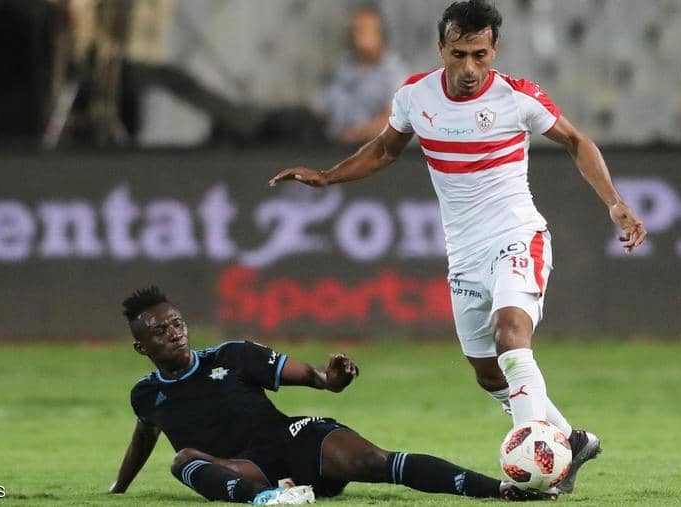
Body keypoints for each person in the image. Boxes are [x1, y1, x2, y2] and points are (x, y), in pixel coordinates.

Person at [269, 0, 648, 496]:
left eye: (480, 55)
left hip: (517, 236)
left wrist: (614, 202)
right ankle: (569, 441)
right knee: (489, 373)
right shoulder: (415, 96)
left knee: (511, 335)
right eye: (459, 54)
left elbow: (577, 141)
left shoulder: (518, 97)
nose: (469, 68)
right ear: (441, 48)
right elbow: (384, 149)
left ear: (494, 50)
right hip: (465, 254)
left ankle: (536, 470)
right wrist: (327, 177)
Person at [107, 286, 557, 503]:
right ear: (141, 347)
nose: (174, 334)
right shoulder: (146, 395)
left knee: (377, 461)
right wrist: (119, 488)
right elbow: (144, 435)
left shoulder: (234, 355)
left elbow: (315, 377)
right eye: (160, 331)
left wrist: (333, 379)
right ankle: (268, 500)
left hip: (292, 440)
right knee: (184, 460)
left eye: (177, 323)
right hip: (246, 470)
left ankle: (501, 490)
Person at [319, 6, 409, 145]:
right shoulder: (345, 67)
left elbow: (395, 119)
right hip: (334, 146)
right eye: (354, 29)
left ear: (380, 35)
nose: (356, 34)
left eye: (363, 30)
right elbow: (326, 109)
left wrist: (359, 134)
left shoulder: (394, 73)